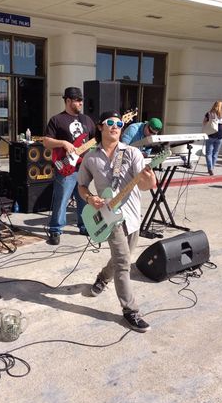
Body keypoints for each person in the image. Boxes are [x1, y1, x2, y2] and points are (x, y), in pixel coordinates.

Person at [77, 110, 156, 333]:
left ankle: (102, 278)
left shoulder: (131, 153)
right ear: (101, 127)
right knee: (123, 263)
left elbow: (143, 185)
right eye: (110, 122)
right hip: (110, 218)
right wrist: (91, 198)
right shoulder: (91, 157)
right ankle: (131, 311)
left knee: (122, 257)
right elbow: (81, 186)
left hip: (132, 216)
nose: (115, 126)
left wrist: (149, 178)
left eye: (119, 123)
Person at [43, 87, 96, 246]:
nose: (80, 103)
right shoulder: (57, 120)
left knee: (83, 199)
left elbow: (95, 140)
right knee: (62, 199)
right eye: (77, 100)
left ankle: (83, 226)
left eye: (81, 100)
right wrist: (63, 143)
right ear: (67, 100)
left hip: (83, 167)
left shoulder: (87, 120)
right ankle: (55, 229)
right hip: (65, 168)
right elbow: (46, 142)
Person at [202, 101, 222, 175]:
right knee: (215, 153)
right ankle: (212, 168)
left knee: (208, 153)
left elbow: (204, 123)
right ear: (221, 107)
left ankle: (210, 168)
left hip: (210, 135)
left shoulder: (209, 113)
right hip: (220, 135)